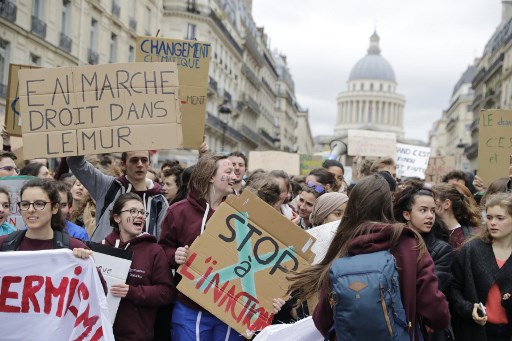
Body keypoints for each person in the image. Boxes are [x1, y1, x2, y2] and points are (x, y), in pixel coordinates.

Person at [287, 174, 450, 340]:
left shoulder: (342, 244)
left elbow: (322, 319)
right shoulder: (409, 243)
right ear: (388, 205)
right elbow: (436, 311)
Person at [159, 154, 283, 340]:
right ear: (210, 176)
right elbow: (163, 249)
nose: (235, 176)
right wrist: (174, 255)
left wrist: (271, 298)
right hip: (191, 308)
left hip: (232, 313)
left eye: (235, 171)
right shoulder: (178, 211)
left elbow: (263, 260)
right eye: (228, 171)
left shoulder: (246, 211)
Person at [104, 193, 175, 341]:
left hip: (137, 336)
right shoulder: (103, 247)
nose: (140, 216)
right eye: (133, 211)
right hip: (102, 333)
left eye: (142, 212)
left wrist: (132, 292)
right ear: (117, 218)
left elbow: (167, 292)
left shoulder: (154, 250)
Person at [393, 181, 454, 341]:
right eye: (423, 210)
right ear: (407, 214)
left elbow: (432, 292)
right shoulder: (391, 243)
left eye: (433, 211)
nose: (430, 216)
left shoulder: (441, 249)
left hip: (426, 327)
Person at [67, 151, 169, 242]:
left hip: (141, 261)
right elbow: (75, 163)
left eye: (144, 160)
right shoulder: (108, 186)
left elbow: (163, 241)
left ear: (149, 164)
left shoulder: (159, 201)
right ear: (123, 165)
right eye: (134, 160)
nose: (139, 164)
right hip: (104, 258)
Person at [450, 193, 512, 340]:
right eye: (489, 217)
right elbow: (453, 287)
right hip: (476, 331)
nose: (492, 223)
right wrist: (469, 308)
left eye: (500, 218)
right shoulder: (472, 249)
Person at [0, 178, 91, 257]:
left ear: (55, 208)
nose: (31, 209)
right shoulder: (3, 244)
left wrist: (86, 260)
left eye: (39, 204)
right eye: (25, 204)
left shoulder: (74, 248)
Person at [432, 182, 481, 249]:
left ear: (447, 204)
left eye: (433, 201)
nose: (429, 204)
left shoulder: (474, 234)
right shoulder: (429, 231)